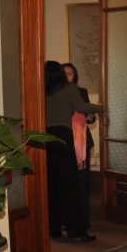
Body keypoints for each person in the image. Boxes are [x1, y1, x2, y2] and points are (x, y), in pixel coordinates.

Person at [45, 60, 103, 242]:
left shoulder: (42, 91)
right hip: (63, 136)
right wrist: (102, 107)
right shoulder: (69, 89)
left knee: (51, 186)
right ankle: (77, 231)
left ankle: (53, 229)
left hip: (45, 138)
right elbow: (81, 107)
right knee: (70, 185)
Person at [62, 63, 96, 231]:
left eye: (71, 73)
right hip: (64, 142)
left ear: (74, 76)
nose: (68, 76)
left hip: (82, 141)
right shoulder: (53, 94)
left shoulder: (81, 92)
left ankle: (83, 220)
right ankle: (65, 220)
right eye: (65, 73)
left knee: (82, 182)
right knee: (65, 182)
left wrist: (90, 116)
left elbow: (90, 118)